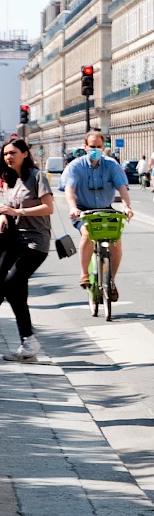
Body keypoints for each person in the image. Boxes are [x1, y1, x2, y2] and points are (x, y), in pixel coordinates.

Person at [0, 139, 55, 363]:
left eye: (13, 153)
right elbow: (5, 206)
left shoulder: (37, 177)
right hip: (12, 240)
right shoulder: (8, 178)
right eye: (5, 154)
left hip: (34, 243)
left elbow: (48, 207)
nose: (8, 157)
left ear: (24, 153)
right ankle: (28, 342)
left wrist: (16, 211)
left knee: (11, 285)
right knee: (10, 287)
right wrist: (4, 214)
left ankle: (28, 340)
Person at [61, 131, 134, 297]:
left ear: (103, 147)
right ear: (85, 147)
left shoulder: (111, 165)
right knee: (87, 233)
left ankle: (111, 281)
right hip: (83, 210)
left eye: (98, 147)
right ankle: (84, 274)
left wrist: (127, 206)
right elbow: (69, 189)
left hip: (105, 209)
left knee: (116, 242)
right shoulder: (76, 166)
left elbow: (122, 187)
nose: (95, 149)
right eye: (92, 146)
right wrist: (73, 208)